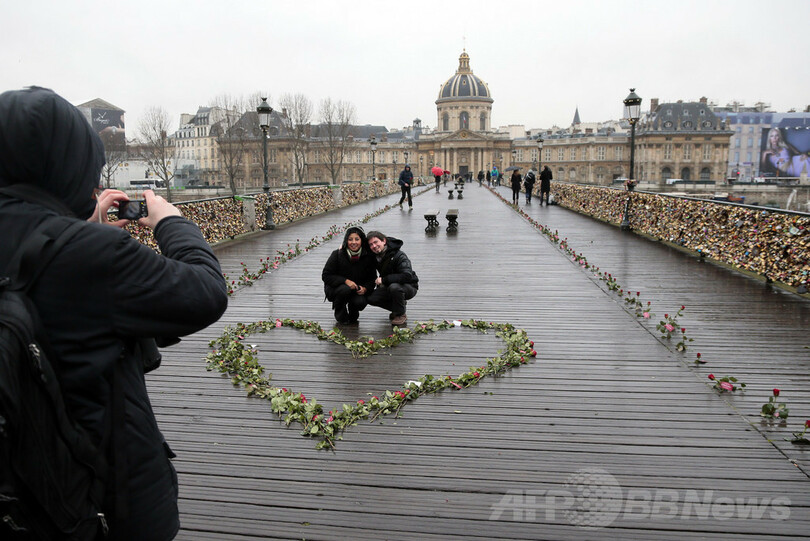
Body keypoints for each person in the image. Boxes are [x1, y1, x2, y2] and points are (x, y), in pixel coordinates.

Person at [0, 87, 228, 540]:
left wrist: (80, 227)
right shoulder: (88, 253)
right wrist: (170, 220)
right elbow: (205, 291)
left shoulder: (65, 243)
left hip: (20, 486)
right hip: (99, 493)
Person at [321, 226, 377, 324]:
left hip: (356, 289)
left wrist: (365, 289)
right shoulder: (337, 254)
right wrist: (345, 281)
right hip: (337, 288)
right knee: (345, 289)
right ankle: (339, 311)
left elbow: (372, 278)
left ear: (362, 240)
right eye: (350, 239)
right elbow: (326, 275)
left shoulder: (368, 256)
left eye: (357, 239)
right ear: (346, 241)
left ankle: (353, 310)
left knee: (360, 303)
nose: (353, 242)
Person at [366, 231, 418, 326]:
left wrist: (384, 280)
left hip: (409, 286)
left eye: (376, 242)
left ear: (384, 241)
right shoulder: (374, 256)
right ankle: (399, 306)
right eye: (371, 244)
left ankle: (400, 314)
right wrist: (343, 248)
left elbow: (407, 276)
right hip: (389, 286)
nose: (374, 246)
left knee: (394, 287)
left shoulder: (399, 255)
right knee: (370, 298)